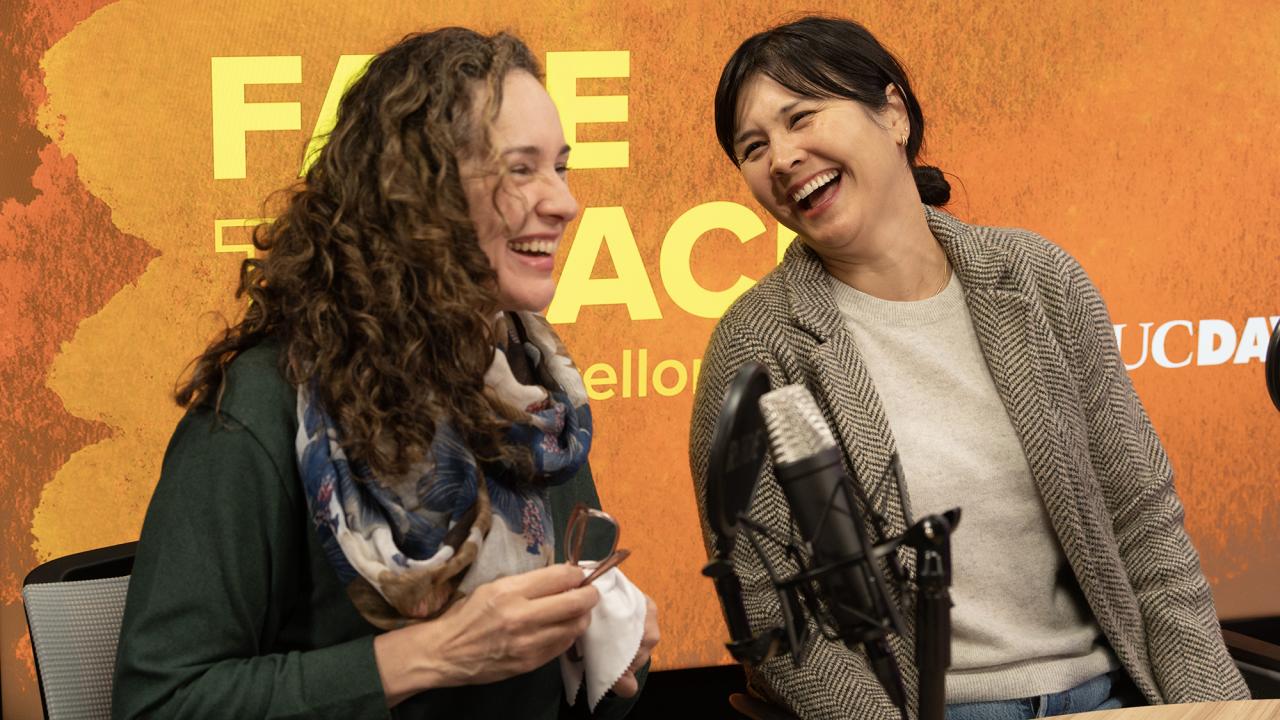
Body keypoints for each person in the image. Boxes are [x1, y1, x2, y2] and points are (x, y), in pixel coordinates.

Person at [689, 15, 1248, 720]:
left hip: (1113, 696)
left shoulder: (1041, 280)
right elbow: (773, 615)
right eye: (753, 147)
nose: (781, 157)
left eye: (802, 117)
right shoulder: (758, 347)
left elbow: (1142, 521)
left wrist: (1215, 708)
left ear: (892, 113)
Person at [112, 27, 658, 719]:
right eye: (522, 169)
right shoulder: (263, 406)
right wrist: (434, 655)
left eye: (561, 166)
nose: (563, 202)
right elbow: (160, 702)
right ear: (417, 192)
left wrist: (614, 656)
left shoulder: (536, 397)